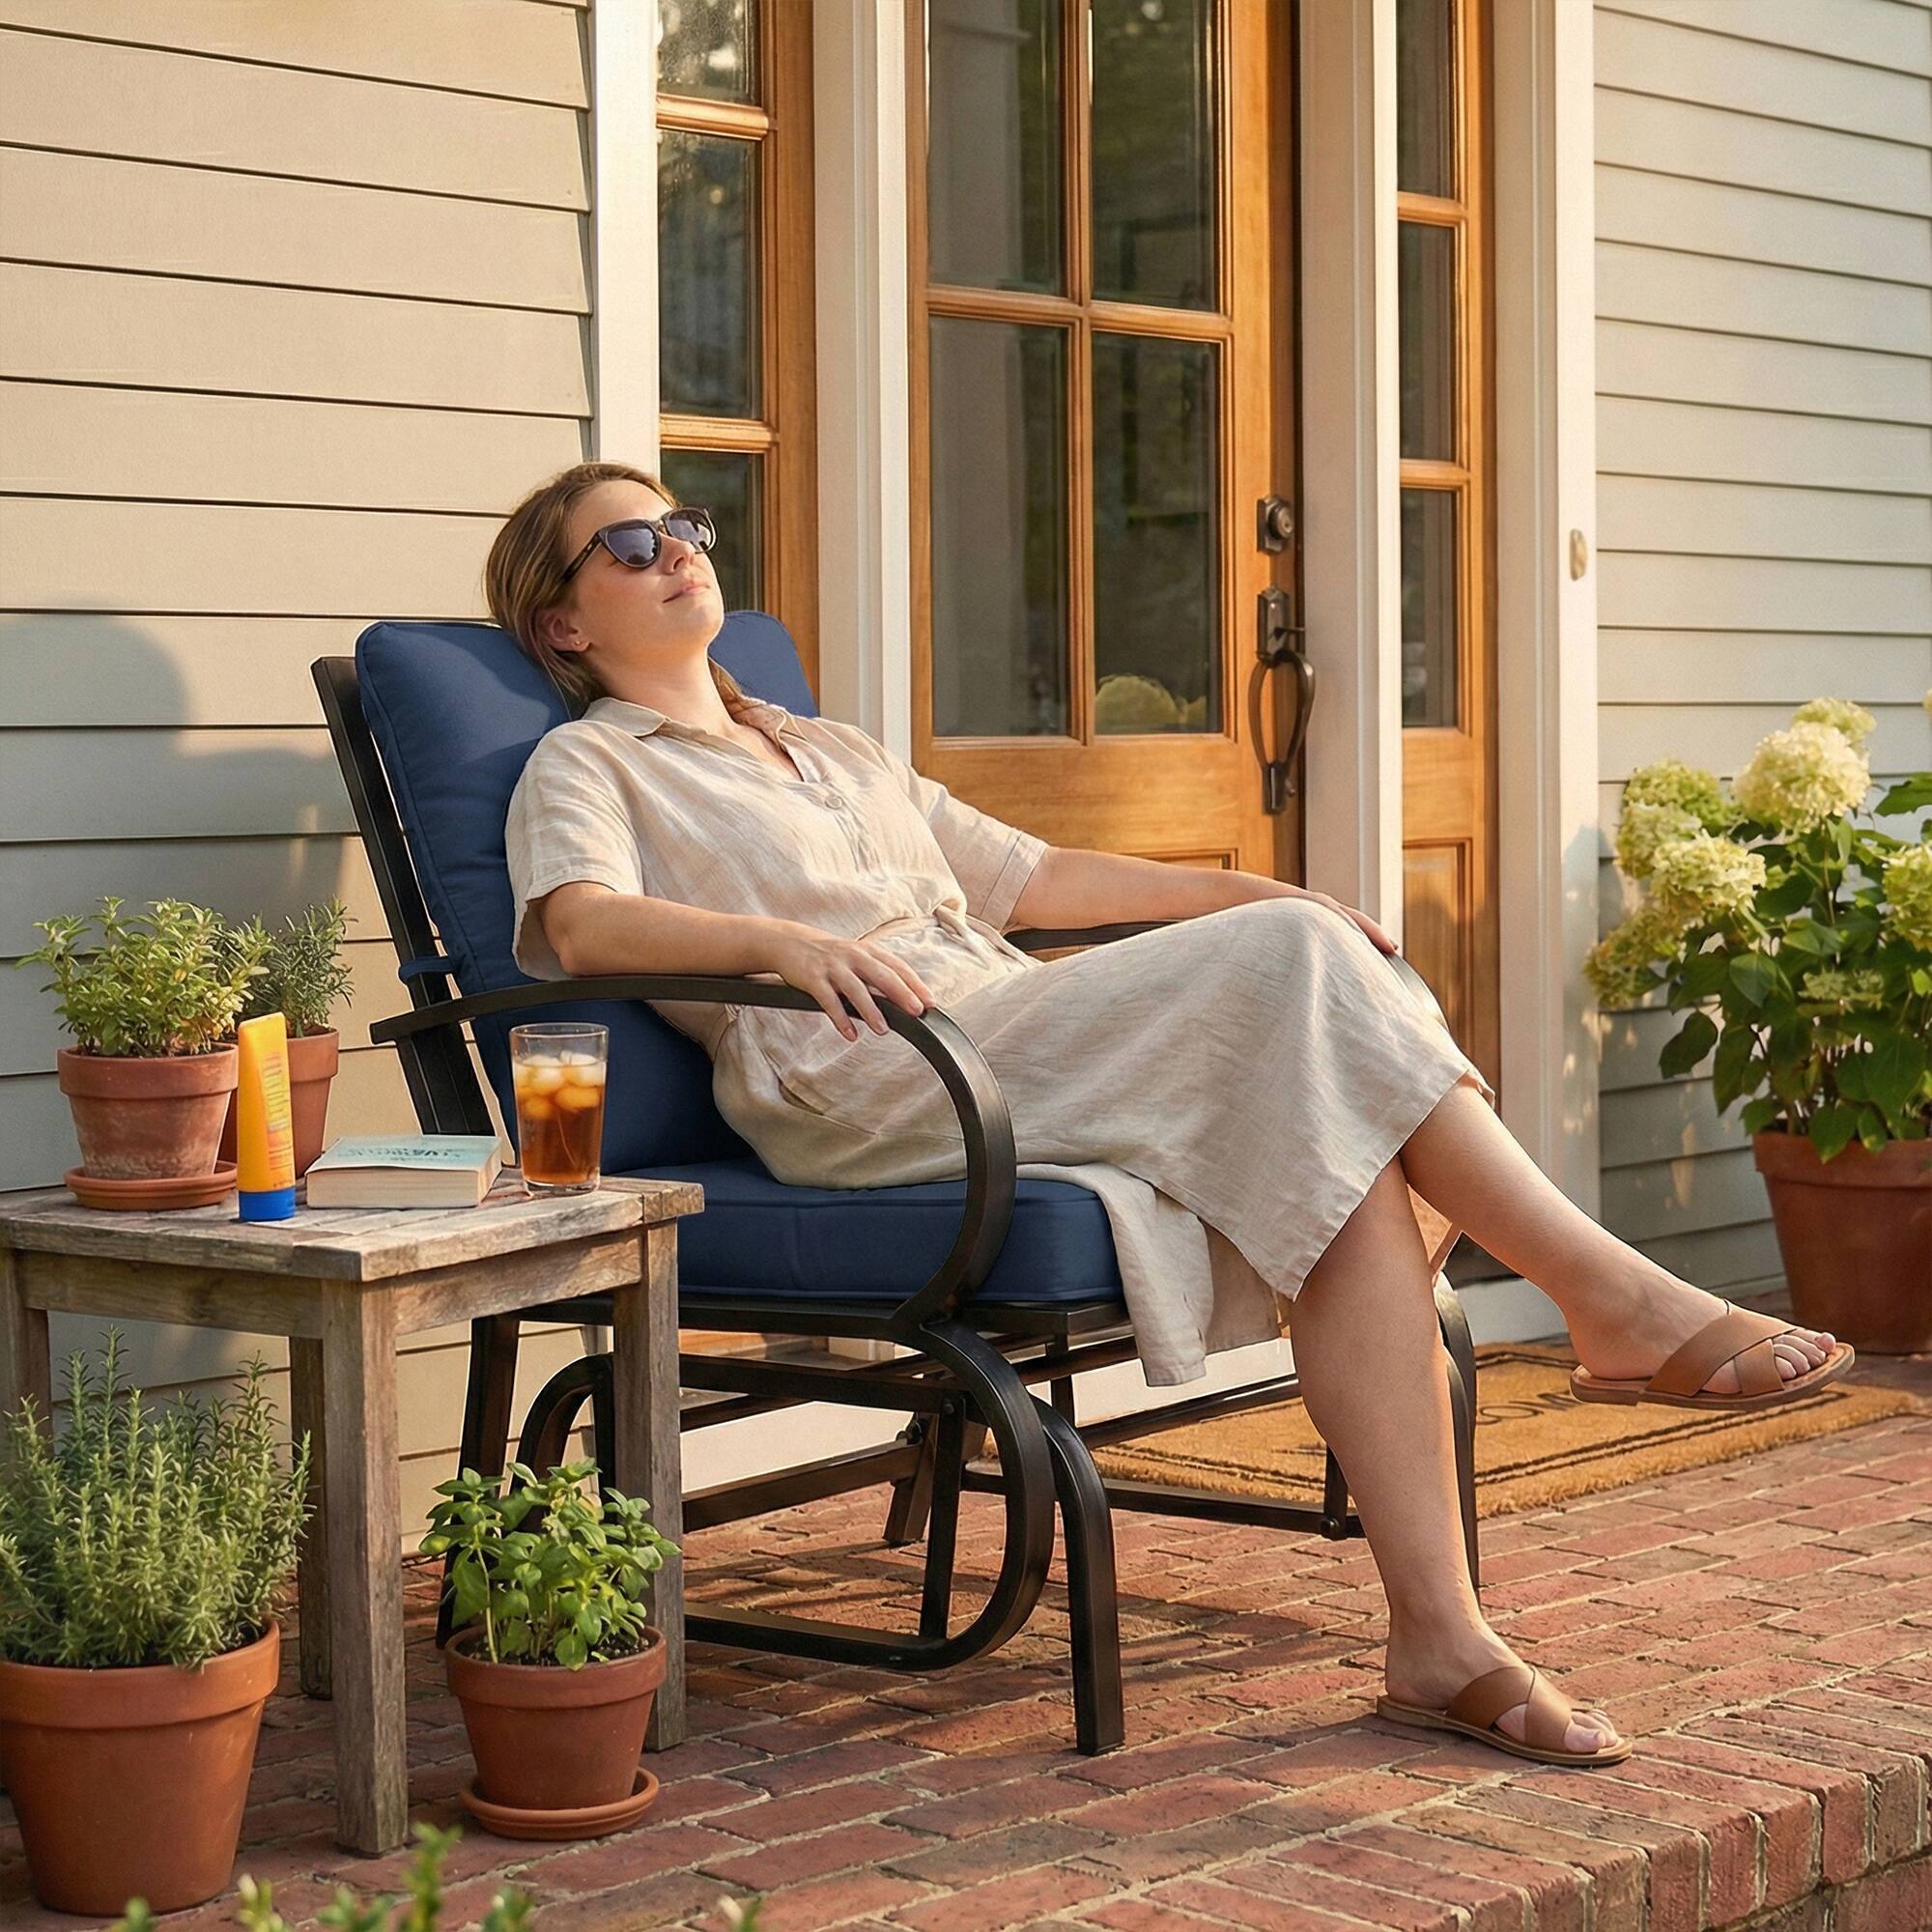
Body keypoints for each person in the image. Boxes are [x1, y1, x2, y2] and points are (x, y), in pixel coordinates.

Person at [490, 461, 1853, 1771]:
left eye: (685, 525)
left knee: (1344, 1125)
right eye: (628, 544)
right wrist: (771, 946)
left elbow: (1037, 878)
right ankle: (1607, 1296)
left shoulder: (828, 749)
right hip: (871, 1077)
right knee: (1305, 979)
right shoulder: (590, 767)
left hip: (1005, 1027)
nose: (675, 551)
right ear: (564, 616)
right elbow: (581, 920)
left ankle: (1440, 1637)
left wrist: (1265, 892)